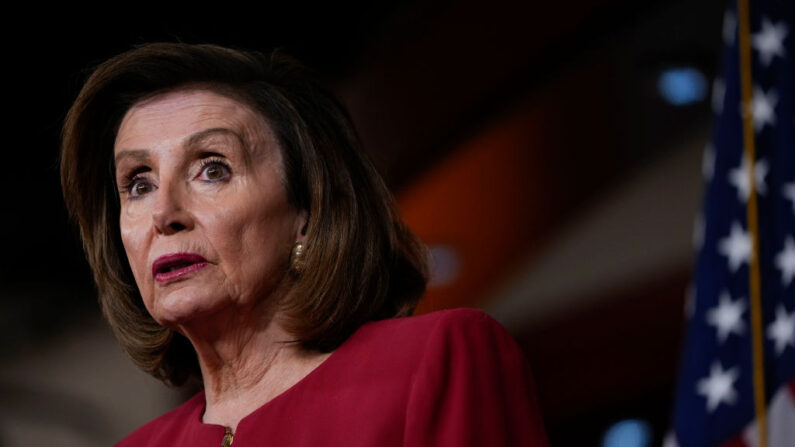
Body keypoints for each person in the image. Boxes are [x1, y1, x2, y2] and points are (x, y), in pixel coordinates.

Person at [60, 43, 548, 446]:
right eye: (139, 183)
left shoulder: (436, 360)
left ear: (307, 212)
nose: (164, 214)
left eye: (213, 169)